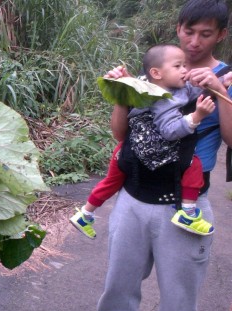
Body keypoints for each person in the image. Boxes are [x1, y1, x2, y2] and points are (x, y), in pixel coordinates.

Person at [95, 1, 232, 311]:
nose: (195, 42)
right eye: (189, 32)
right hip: (134, 196)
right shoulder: (155, 70)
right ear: (178, 29)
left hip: (186, 202)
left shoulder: (227, 77)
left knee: (178, 301)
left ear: (221, 34)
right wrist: (122, 92)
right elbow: (121, 136)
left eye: (205, 34)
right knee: (118, 287)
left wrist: (218, 90)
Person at [70, 43, 223, 239]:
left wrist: (220, 81)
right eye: (178, 66)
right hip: (147, 153)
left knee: (110, 182)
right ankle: (188, 212)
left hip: (125, 152)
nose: (185, 70)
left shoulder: (159, 86)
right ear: (156, 73)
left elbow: (191, 91)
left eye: (185, 65)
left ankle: (85, 213)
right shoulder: (163, 101)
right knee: (194, 165)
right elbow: (170, 131)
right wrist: (197, 116)